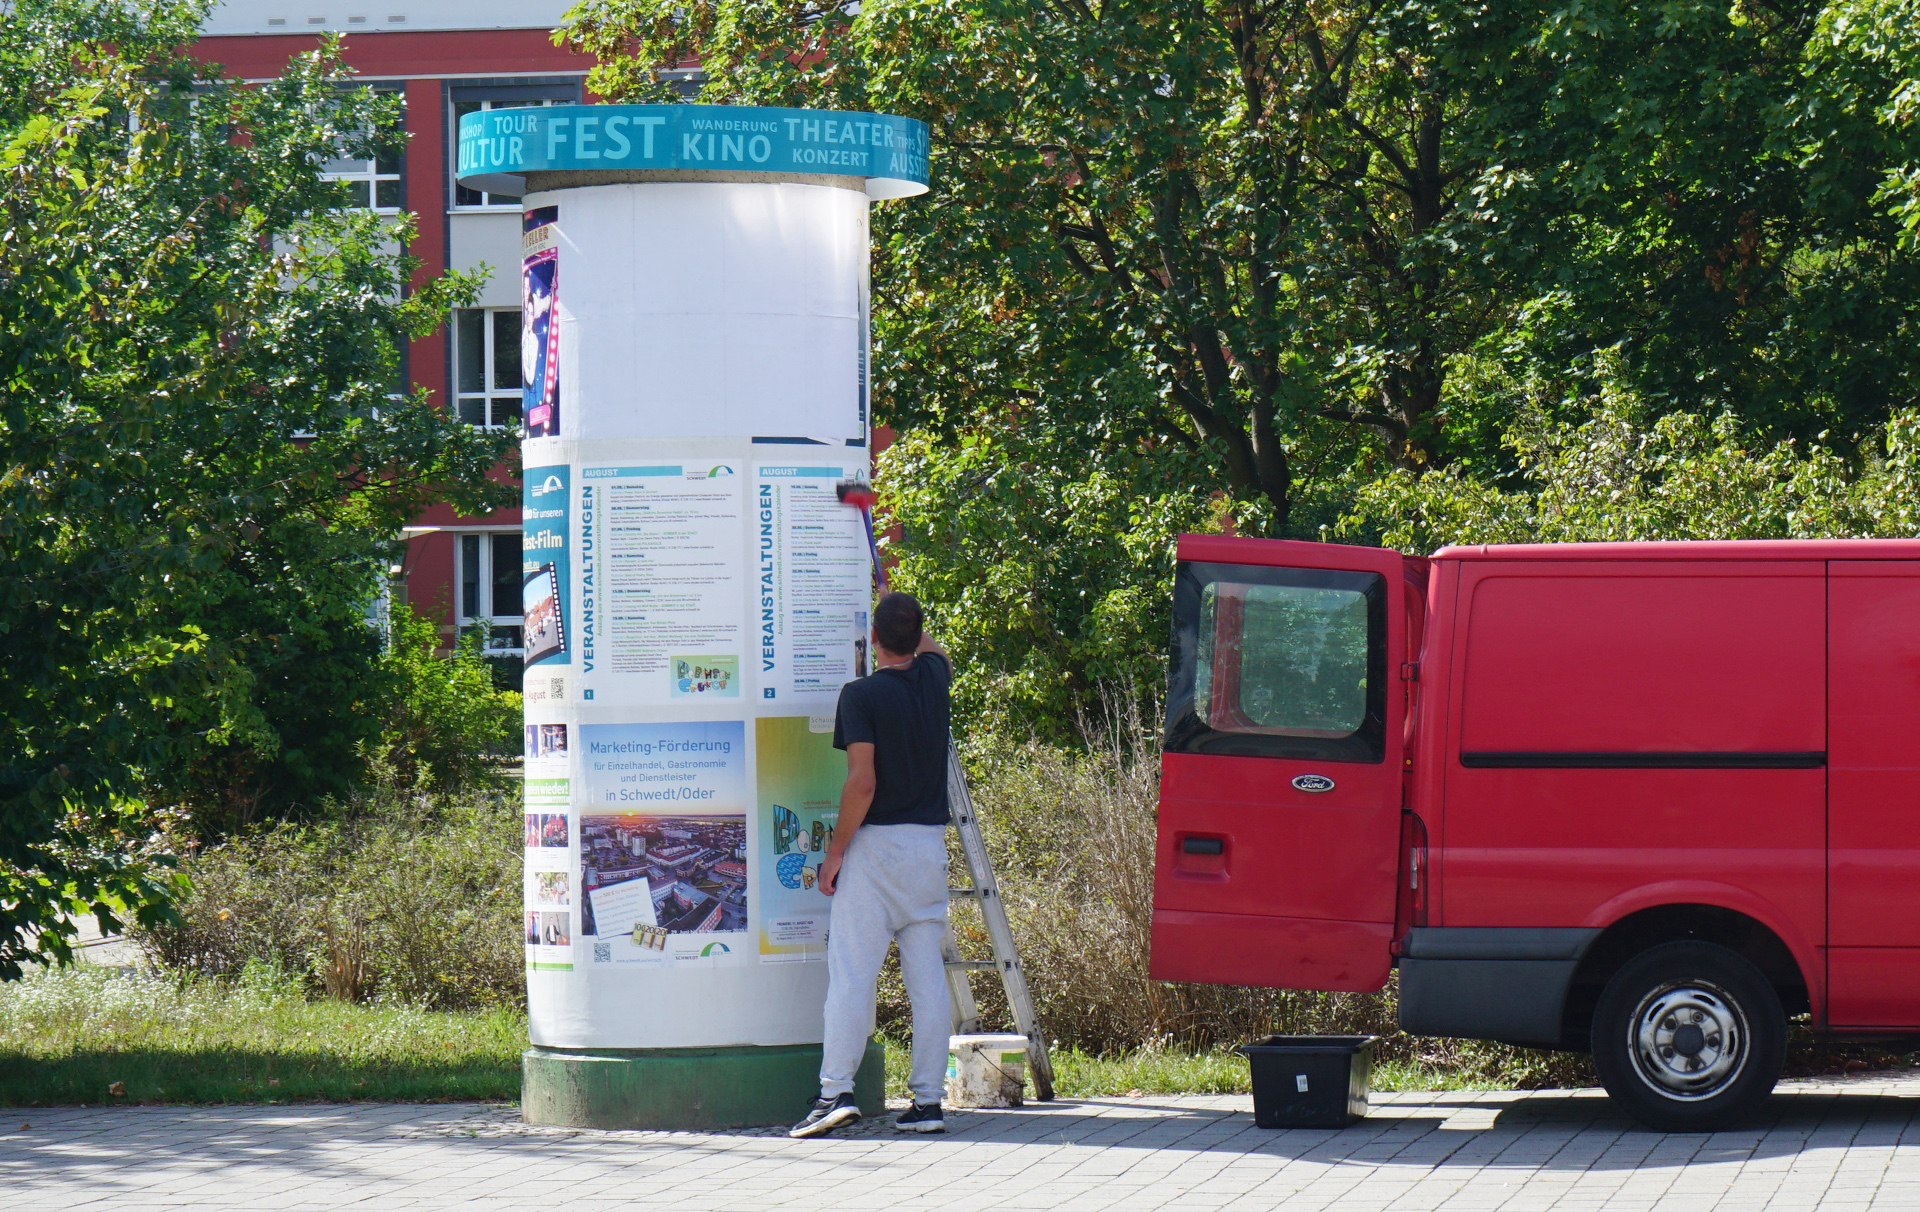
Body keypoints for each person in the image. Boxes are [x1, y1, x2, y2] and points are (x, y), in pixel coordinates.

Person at [789, 592, 953, 1138]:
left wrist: (835, 852)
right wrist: (901, 609)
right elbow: (932, 647)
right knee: (927, 980)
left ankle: (835, 1093)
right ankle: (928, 1103)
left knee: (853, 975)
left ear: (873, 640)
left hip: (877, 848)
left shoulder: (860, 694)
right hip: (928, 847)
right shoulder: (936, 678)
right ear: (917, 636)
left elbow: (862, 781)